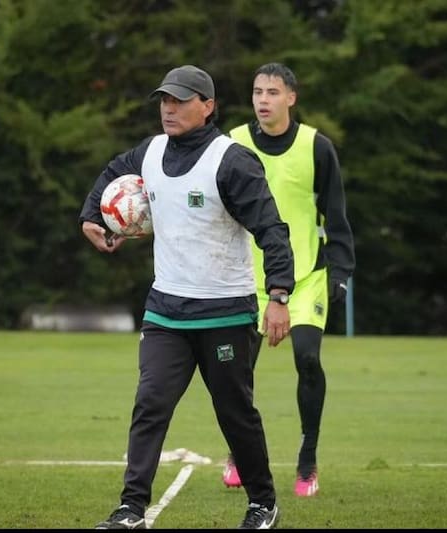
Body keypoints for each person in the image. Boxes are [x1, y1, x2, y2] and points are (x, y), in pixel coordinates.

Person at [79, 64, 295, 529]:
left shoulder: (231, 160)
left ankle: (263, 502)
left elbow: (272, 230)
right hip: (166, 313)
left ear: (208, 106)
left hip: (224, 314)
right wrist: (90, 215)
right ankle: (131, 508)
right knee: (150, 405)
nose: (169, 109)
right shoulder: (151, 151)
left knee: (235, 413)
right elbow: (113, 171)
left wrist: (279, 294)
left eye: (179, 100)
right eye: (164, 100)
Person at [220, 63, 355, 497]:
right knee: (236, 372)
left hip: (306, 277)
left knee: (308, 360)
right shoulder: (233, 144)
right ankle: (239, 453)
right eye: (257, 91)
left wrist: (342, 271)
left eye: (273, 92)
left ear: (291, 98)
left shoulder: (317, 147)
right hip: (245, 279)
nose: (263, 100)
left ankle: (307, 458)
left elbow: (336, 216)